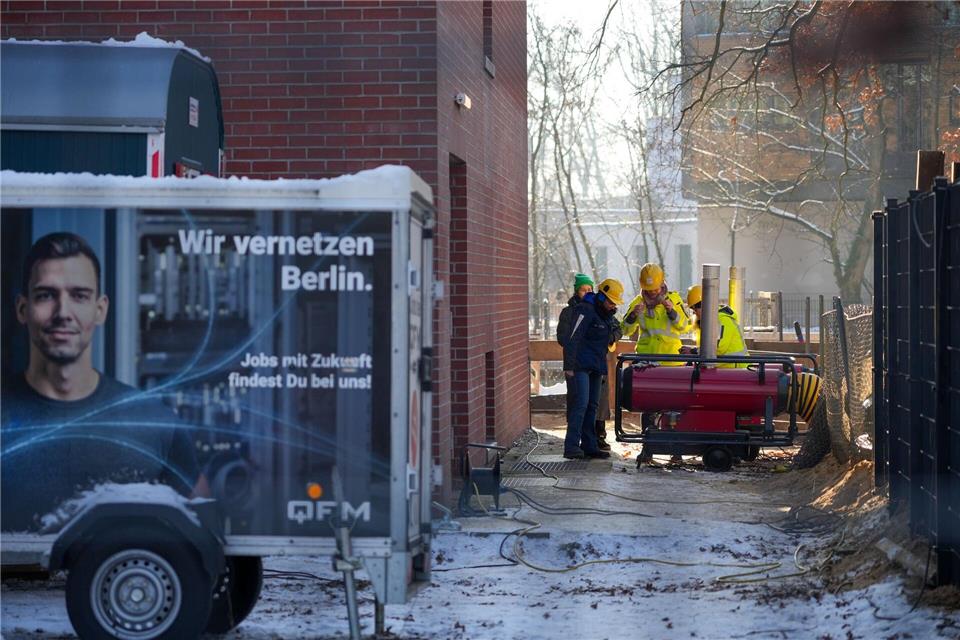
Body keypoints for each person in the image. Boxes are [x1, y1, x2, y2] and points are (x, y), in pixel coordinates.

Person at [1, 232, 206, 532]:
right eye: (46, 295)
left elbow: (205, 541)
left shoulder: (155, 424)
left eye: (79, 296)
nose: (63, 313)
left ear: (100, 309)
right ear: (22, 308)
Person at [559, 278, 624, 460]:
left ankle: (590, 445)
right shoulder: (584, 310)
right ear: (602, 297)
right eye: (611, 302)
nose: (613, 306)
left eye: (615, 303)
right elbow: (572, 338)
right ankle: (571, 446)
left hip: (596, 366)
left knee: (592, 406)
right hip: (579, 366)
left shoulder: (606, 315)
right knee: (580, 404)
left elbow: (616, 332)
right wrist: (569, 367)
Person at [621, 263, 691, 365]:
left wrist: (672, 312)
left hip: (671, 361)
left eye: (655, 289)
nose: (653, 292)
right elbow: (624, 330)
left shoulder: (674, 299)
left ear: (662, 283)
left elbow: (685, 327)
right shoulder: (638, 302)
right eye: (649, 290)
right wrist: (632, 315)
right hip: (645, 361)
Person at [682, 284, 750, 367]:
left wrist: (693, 351)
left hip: (737, 371)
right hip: (722, 370)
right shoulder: (704, 322)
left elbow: (719, 347)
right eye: (692, 308)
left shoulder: (722, 319)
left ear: (707, 304)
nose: (695, 312)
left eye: (697, 307)